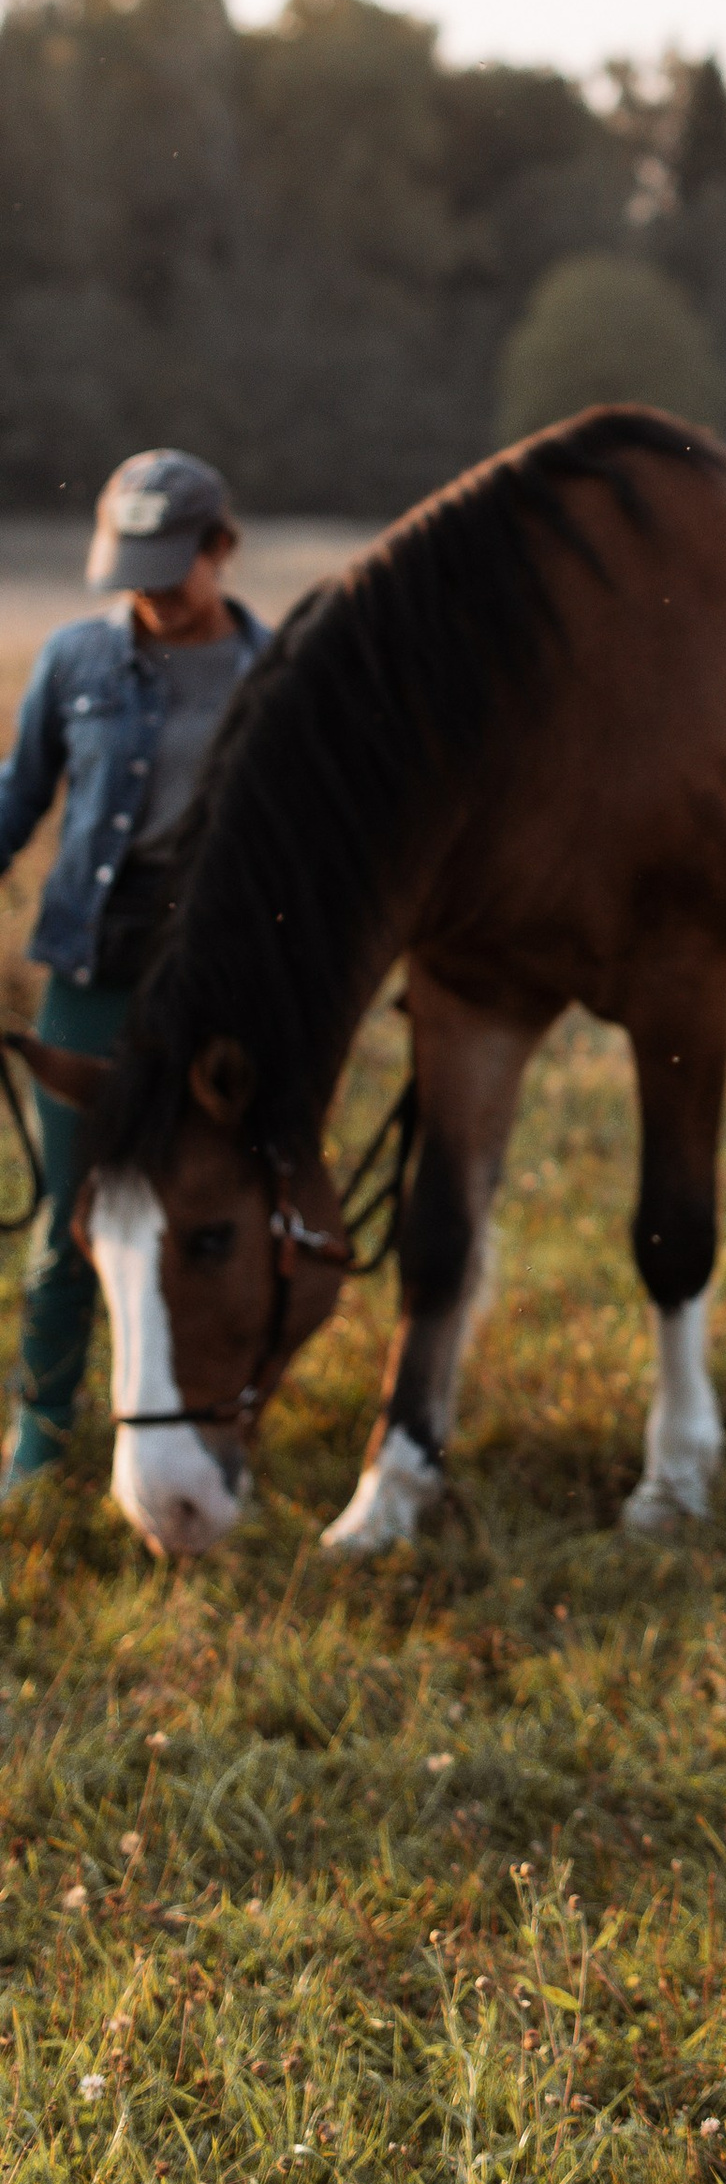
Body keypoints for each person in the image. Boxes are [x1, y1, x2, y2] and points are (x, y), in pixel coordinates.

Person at [0, 452, 268, 1491]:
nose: (151, 592)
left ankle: (213, 1413)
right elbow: (20, 798)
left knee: (218, 1213)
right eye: (135, 568)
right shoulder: (78, 661)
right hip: (93, 964)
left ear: (220, 549)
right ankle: (46, 1430)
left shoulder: (276, 672)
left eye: (172, 566)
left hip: (221, 985)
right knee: (78, 1208)